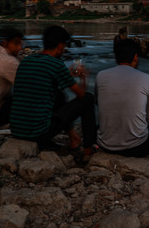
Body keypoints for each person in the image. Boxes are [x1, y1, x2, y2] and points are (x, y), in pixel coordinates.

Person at [95, 39, 149, 174]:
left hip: (104, 144)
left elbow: (98, 102)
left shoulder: (101, 75)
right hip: (136, 148)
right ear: (135, 57)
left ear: (116, 57)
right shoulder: (148, 79)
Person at [10, 25, 96, 154]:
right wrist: (84, 78)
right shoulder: (57, 65)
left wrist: (67, 75)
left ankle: (74, 139)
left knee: (58, 95)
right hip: (38, 133)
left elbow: (43, 80)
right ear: (60, 46)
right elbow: (81, 95)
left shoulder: (26, 61)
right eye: (65, 46)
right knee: (88, 98)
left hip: (17, 130)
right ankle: (88, 150)